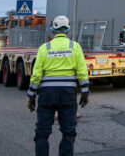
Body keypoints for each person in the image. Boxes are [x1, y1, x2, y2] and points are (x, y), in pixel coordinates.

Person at [28, 15, 90, 156]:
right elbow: (82, 72)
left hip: (47, 94)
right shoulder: (75, 47)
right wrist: (85, 92)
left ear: (52, 30)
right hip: (68, 94)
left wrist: (31, 96)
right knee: (69, 132)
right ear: (67, 29)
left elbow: (36, 75)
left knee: (42, 133)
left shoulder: (45, 48)